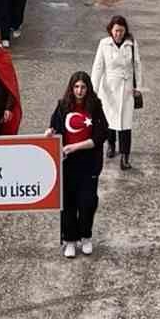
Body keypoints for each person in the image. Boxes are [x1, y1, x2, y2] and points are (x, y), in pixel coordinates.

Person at [47, 71, 109, 257]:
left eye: (83, 87)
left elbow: (100, 136)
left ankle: (86, 236)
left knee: (87, 202)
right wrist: (49, 133)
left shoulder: (95, 106)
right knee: (67, 203)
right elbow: (54, 127)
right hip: (67, 164)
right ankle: (70, 240)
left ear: (88, 88)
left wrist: (75, 147)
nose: (79, 91)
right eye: (76, 87)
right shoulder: (62, 106)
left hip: (89, 163)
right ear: (71, 88)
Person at [91, 15, 144, 170]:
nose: (118, 34)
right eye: (115, 31)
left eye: (121, 31)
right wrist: (93, 90)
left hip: (126, 89)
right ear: (111, 30)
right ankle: (111, 145)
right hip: (108, 88)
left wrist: (138, 87)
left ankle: (125, 157)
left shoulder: (131, 44)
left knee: (125, 124)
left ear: (125, 30)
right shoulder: (103, 44)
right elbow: (98, 67)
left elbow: (137, 66)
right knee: (109, 120)